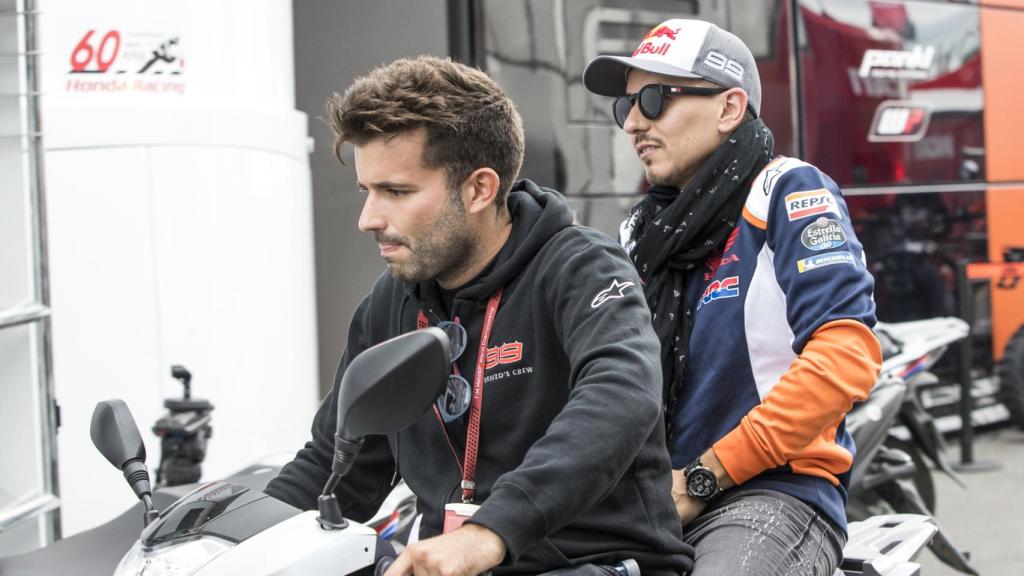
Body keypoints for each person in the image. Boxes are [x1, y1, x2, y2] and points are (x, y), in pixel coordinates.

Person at [265, 56, 694, 576]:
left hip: (602, 565)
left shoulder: (579, 267)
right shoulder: (391, 302)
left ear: (479, 189)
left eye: (396, 192)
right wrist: (237, 546)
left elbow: (621, 397)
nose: (368, 219)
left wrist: (490, 532)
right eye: (367, 191)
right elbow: (337, 466)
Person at [583, 19, 882, 576]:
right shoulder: (640, 232)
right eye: (626, 107)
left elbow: (847, 357)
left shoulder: (788, 190)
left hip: (770, 492)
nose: (634, 124)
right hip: (651, 499)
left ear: (729, 108)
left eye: (654, 99)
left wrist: (706, 475)